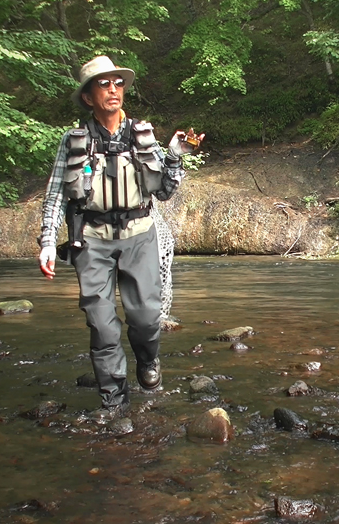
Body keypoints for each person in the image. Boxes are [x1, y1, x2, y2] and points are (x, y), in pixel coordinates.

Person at [36, 55, 202, 415]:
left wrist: (175, 156)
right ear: (87, 96)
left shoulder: (143, 134)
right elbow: (54, 194)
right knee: (101, 324)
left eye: (118, 83)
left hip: (140, 235)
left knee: (145, 317)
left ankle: (147, 360)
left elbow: (165, 191)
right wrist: (48, 241)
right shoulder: (73, 140)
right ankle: (114, 401)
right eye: (103, 84)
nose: (113, 90)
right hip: (91, 239)